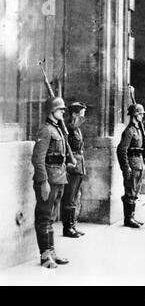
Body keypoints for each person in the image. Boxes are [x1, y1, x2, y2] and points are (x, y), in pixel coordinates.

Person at [31, 96, 70, 268]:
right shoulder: (46, 130)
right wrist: (44, 181)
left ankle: (51, 251)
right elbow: (38, 159)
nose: (63, 111)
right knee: (44, 217)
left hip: (58, 178)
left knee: (52, 217)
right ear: (52, 110)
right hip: (48, 180)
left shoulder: (57, 129)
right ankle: (45, 256)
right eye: (60, 109)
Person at [116, 103, 145, 228]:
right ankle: (128, 219)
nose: (142, 116)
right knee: (130, 192)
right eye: (140, 114)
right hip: (132, 164)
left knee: (135, 192)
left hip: (139, 163)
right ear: (135, 114)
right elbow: (121, 150)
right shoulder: (129, 131)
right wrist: (126, 168)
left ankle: (132, 216)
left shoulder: (138, 129)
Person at [60, 102, 87, 238]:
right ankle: (67, 228)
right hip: (72, 166)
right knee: (69, 198)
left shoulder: (76, 128)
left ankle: (72, 225)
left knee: (75, 197)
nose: (83, 117)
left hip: (79, 165)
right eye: (81, 114)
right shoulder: (68, 129)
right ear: (74, 114)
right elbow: (65, 149)